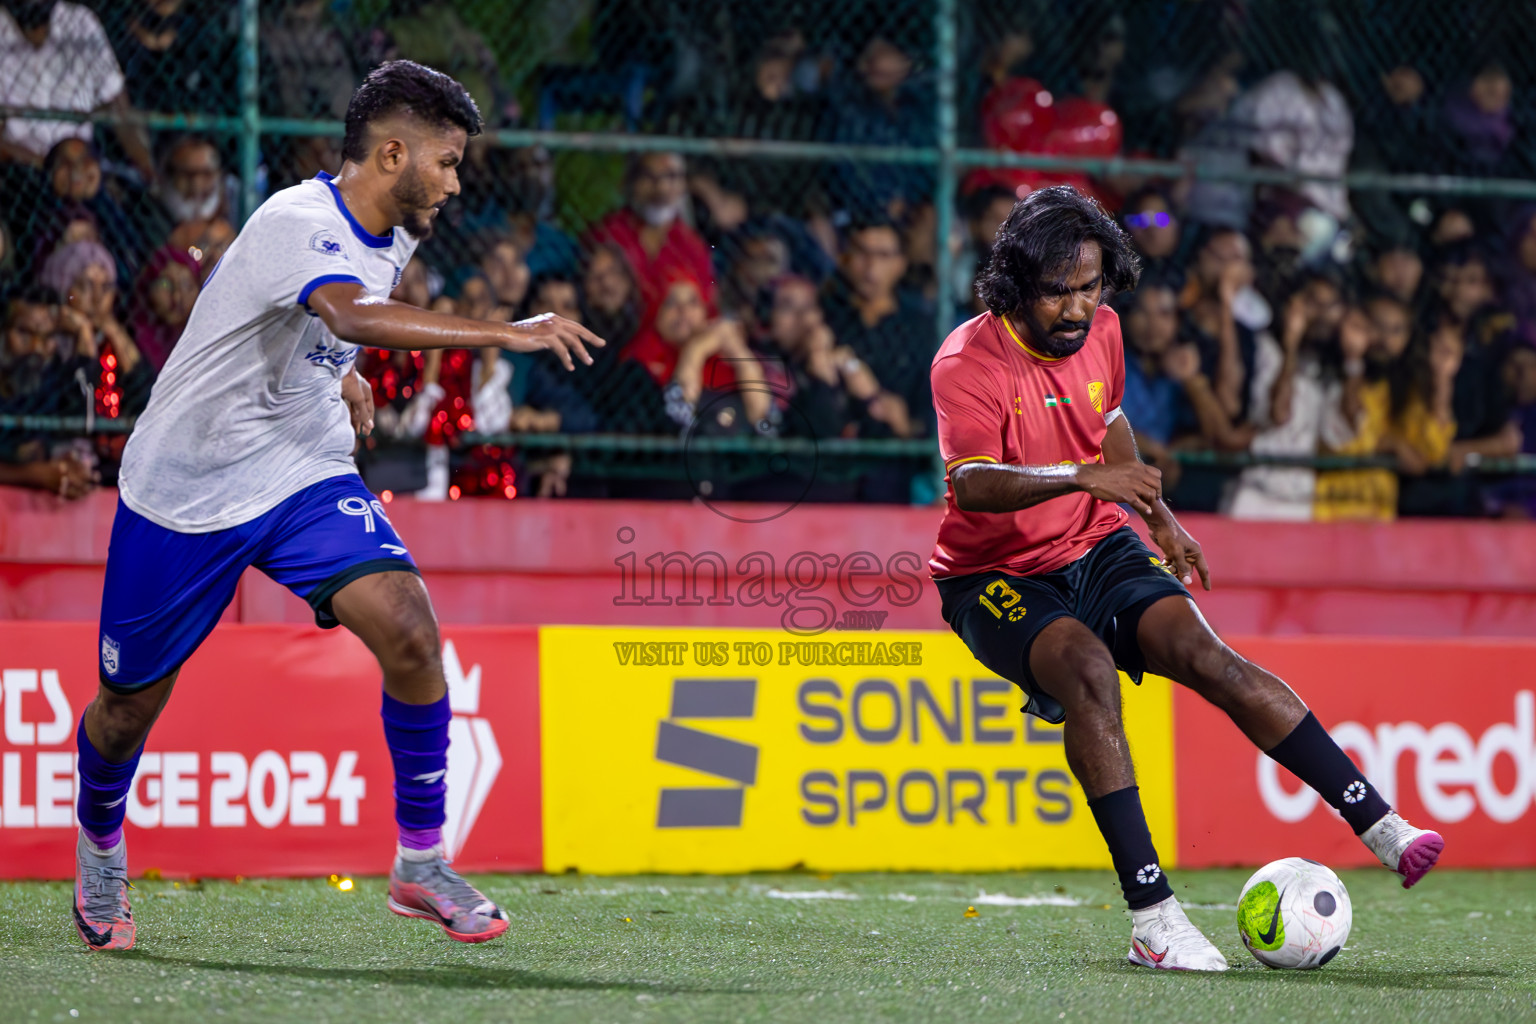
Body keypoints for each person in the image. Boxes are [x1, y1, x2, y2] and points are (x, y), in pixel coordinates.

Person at [69, 60, 603, 952]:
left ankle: (421, 864)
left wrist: (343, 378)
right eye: (447, 161)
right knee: (126, 708)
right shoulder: (297, 219)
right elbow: (347, 311)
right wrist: (506, 332)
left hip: (300, 467)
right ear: (393, 152)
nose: (457, 181)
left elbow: (326, 326)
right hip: (185, 487)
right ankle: (98, 848)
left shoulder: (399, 226)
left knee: (411, 629)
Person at [929, 185, 1442, 972]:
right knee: (1089, 672)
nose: (1075, 307)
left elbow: (1108, 421)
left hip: (1099, 546)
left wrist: (1157, 514)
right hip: (994, 574)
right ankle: (1154, 920)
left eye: (1089, 286)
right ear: (1014, 285)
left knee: (1212, 658)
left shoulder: (1103, 330)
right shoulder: (968, 360)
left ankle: (1382, 825)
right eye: (1056, 290)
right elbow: (971, 484)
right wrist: (1080, 478)